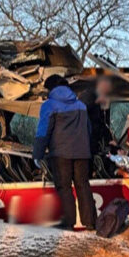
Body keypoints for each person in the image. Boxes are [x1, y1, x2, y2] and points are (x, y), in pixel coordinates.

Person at [33, 75, 96, 230]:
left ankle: (68, 224)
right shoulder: (81, 105)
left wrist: (37, 154)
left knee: (64, 187)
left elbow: (43, 131)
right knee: (83, 185)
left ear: (51, 88)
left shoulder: (49, 105)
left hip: (60, 153)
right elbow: (88, 130)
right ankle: (91, 223)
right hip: (82, 153)